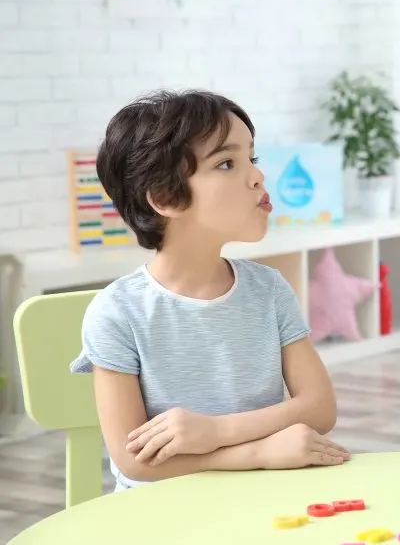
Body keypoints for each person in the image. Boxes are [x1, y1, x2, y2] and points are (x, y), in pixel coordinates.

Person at [70, 90, 348, 491]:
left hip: (262, 496)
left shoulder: (268, 290)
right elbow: (135, 461)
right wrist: (259, 453)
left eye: (251, 158)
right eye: (226, 163)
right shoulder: (117, 312)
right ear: (165, 198)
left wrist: (214, 431)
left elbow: (319, 408)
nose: (257, 176)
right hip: (162, 518)